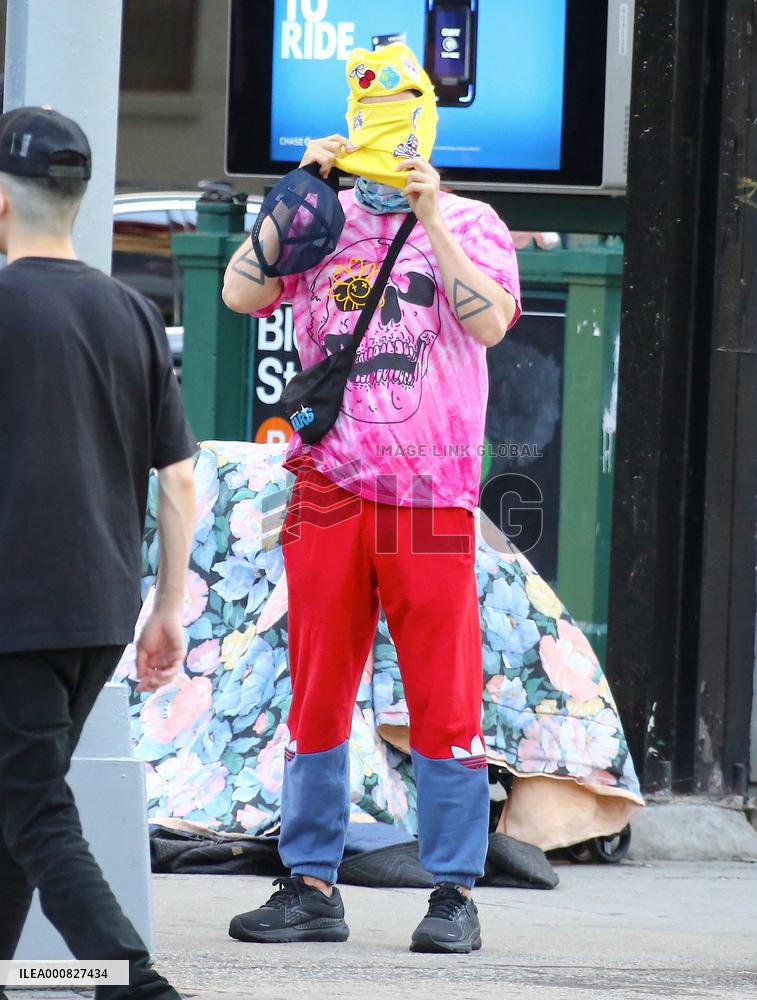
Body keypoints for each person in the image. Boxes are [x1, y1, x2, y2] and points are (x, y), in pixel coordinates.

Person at [223, 44, 521, 954]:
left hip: (431, 493)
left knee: (444, 693)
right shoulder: (318, 216)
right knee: (317, 685)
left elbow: (490, 322)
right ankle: (309, 882)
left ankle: (454, 894)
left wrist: (428, 214)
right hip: (327, 487)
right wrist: (293, 192)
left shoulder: (471, 222)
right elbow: (241, 291)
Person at [0, 107, 197, 999]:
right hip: (98, 610)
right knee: (15, 799)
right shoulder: (130, 313)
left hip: (15, 607)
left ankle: (134, 983)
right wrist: (165, 611)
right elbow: (180, 480)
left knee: (35, 808)